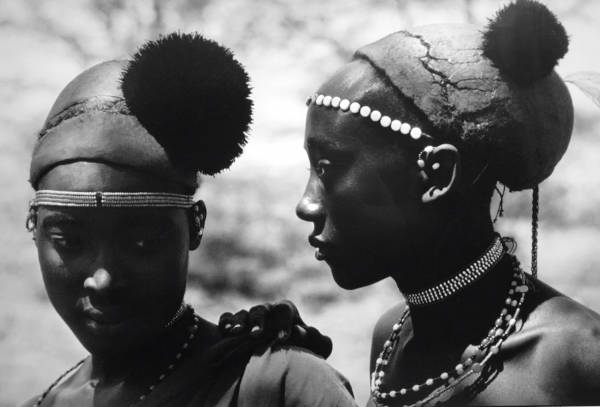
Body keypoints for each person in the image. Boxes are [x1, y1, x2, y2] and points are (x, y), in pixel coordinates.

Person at [223, 1, 600, 405]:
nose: (306, 205)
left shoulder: (578, 360)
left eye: (327, 168)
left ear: (436, 174)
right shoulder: (391, 336)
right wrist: (288, 375)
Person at [22, 32, 357, 407]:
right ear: (34, 228)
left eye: (142, 243)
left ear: (196, 225)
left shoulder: (278, 386)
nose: (103, 281)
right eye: (69, 242)